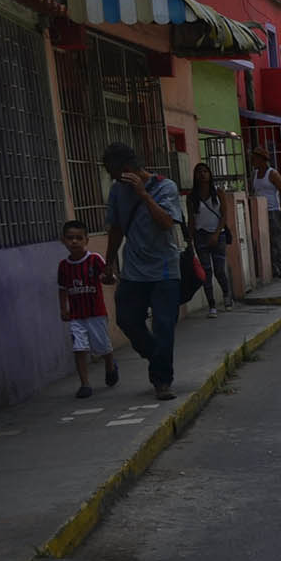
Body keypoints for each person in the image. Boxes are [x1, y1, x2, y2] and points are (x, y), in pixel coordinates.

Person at [102, 142, 183, 401]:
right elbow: (115, 228)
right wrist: (108, 261)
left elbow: (166, 222)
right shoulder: (117, 192)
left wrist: (143, 195)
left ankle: (162, 381)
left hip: (165, 272)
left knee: (163, 325)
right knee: (126, 318)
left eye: (114, 173)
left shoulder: (165, 187)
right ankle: (156, 355)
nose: (113, 179)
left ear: (127, 169)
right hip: (134, 271)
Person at [57, 219, 118, 399]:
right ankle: (85, 384)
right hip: (76, 315)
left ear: (86, 240)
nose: (74, 242)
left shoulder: (94, 259)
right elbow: (62, 289)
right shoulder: (64, 266)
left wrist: (109, 277)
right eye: (70, 238)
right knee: (79, 348)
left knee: (103, 347)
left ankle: (110, 365)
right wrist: (63, 309)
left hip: (96, 314)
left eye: (78, 238)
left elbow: (110, 278)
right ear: (64, 240)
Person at [186, 162, 233, 317]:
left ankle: (227, 295)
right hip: (200, 236)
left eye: (205, 171)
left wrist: (217, 233)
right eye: (199, 171)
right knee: (206, 272)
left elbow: (224, 215)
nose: (202, 174)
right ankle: (212, 305)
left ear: (210, 174)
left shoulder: (218, 193)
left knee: (219, 270)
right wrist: (190, 240)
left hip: (218, 235)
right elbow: (192, 221)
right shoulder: (191, 197)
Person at [249, 147, 281, 279]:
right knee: (265, 242)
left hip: (273, 211)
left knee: (278, 241)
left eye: (255, 158)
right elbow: (253, 191)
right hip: (259, 212)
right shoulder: (254, 174)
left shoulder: (272, 174)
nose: (252, 161)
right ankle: (273, 269)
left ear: (262, 159)